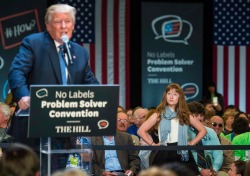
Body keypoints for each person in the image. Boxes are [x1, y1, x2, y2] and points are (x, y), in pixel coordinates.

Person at [8, 4, 99, 149]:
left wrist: (103, 99)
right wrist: (23, 96)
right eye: (58, 22)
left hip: (66, 128)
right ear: (48, 25)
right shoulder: (34, 43)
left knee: (59, 171)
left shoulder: (80, 52)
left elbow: (90, 82)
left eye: (68, 21)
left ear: (73, 25)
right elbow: (17, 71)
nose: (63, 26)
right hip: (34, 126)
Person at [137, 83, 207, 175]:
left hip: (182, 150)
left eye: (175, 94)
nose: (171, 96)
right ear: (165, 96)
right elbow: (141, 131)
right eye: (169, 93)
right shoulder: (158, 114)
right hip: (164, 150)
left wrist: (192, 143)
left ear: (179, 97)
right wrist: (152, 144)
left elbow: (203, 130)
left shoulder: (185, 114)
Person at [188, 101, 223, 176]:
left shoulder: (210, 132)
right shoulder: (183, 132)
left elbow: (218, 155)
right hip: (190, 170)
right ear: (189, 116)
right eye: (196, 115)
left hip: (211, 170)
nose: (200, 118)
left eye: (201, 115)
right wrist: (200, 170)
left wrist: (214, 169)